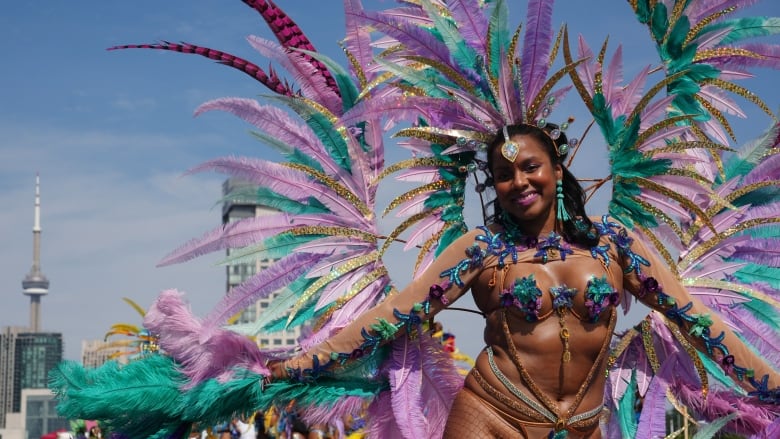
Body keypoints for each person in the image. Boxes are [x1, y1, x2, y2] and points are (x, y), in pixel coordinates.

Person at [270, 123, 779, 438]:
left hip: (581, 426)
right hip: (490, 417)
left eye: (531, 166)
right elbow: (395, 314)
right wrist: (299, 366)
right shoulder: (481, 248)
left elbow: (695, 318)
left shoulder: (615, 245)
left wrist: (772, 384)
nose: (519, 182)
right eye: (504, 175)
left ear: (557, 169)